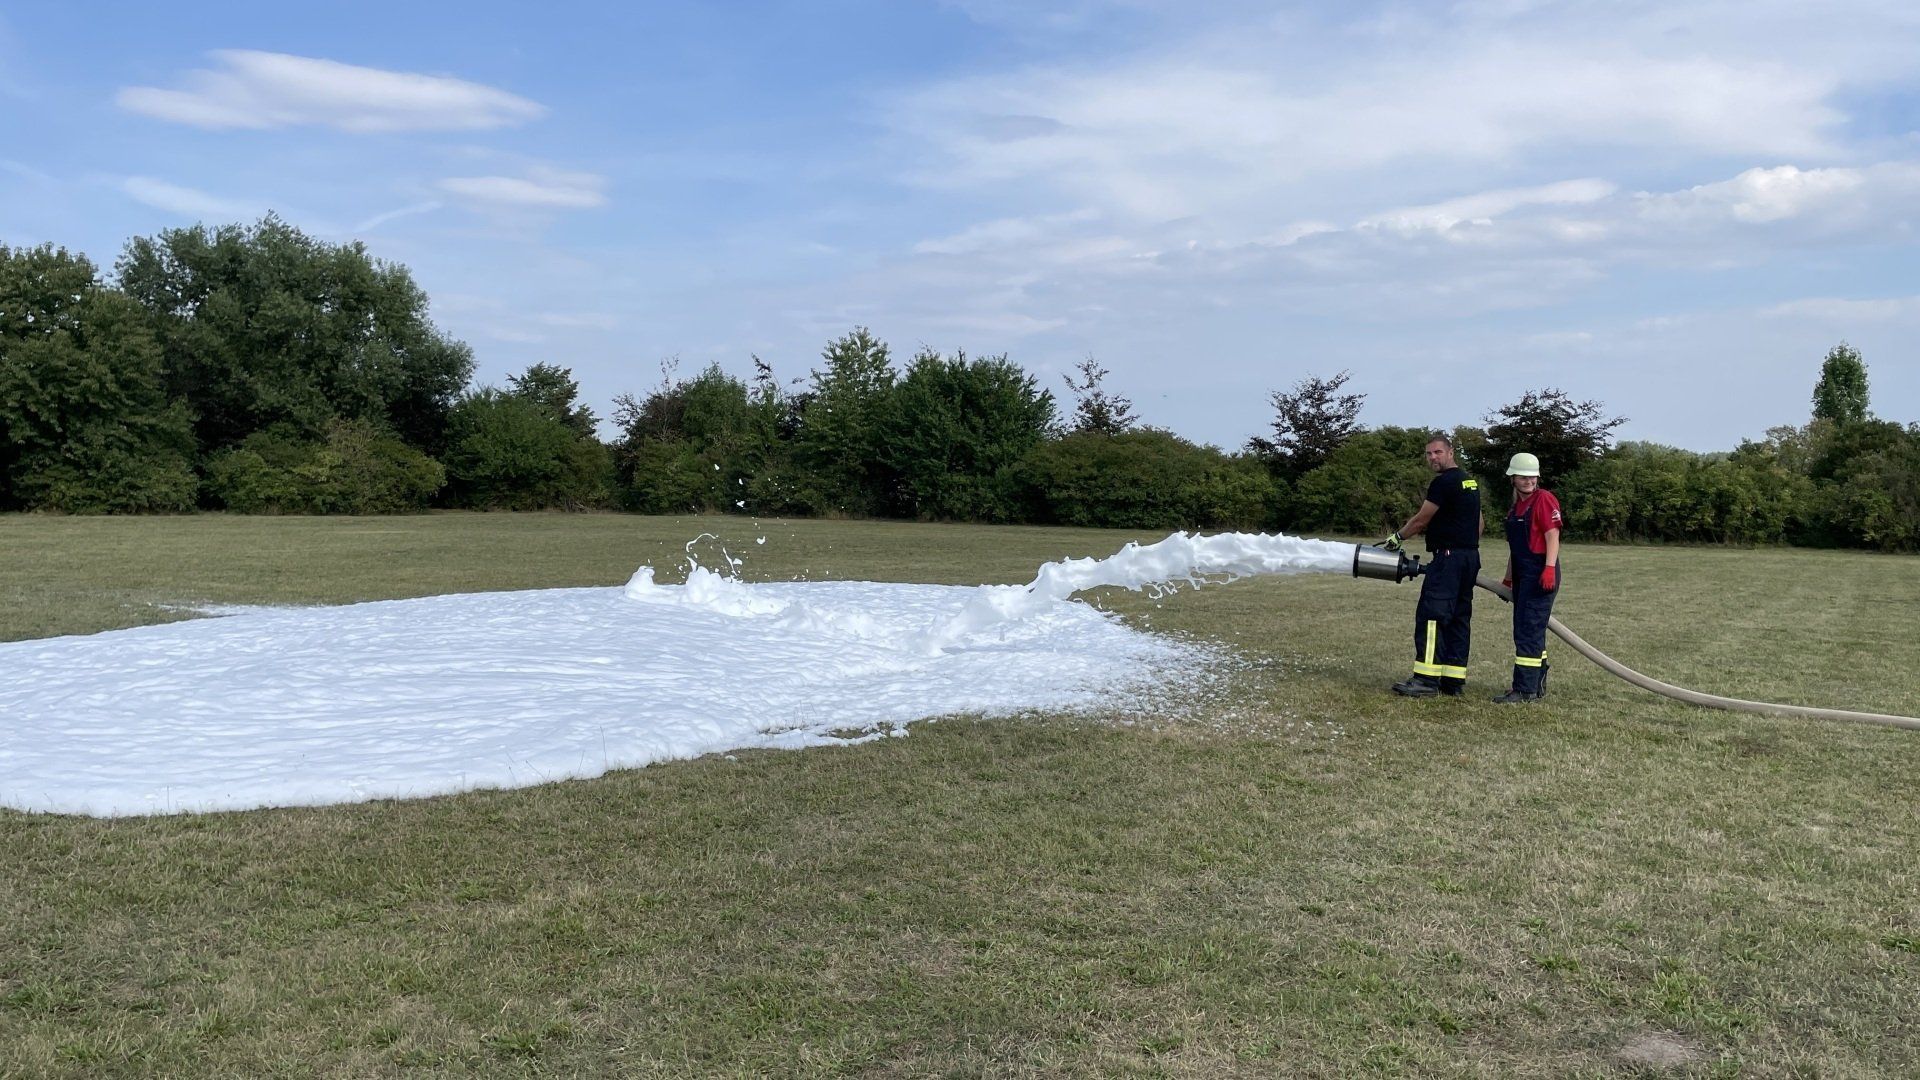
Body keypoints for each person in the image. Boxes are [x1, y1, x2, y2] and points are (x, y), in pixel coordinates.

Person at [1382, 434, 1482, 697]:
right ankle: (1452, 681)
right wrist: (1465, 545)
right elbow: (1479, 522)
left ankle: (1425, 680)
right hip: (1469, 557)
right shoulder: (1469, 481)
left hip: (1447, 558)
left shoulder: (1443, 482)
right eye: (1428, 454)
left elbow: (1421, 519)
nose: (1433, 458)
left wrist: (1397, 537)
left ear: (1451, 452)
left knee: (1432, 616)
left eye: (1437, 452)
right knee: (1459, 618)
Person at [1494, 452, 1561, 703]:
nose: (1529, 481)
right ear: (1513, 478)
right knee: (1528, 629)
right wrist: (1508, 579)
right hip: (1523, 574)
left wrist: (1549, 568)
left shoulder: (1543, 499)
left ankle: (1524, 689)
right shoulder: (1515, 509)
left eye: (1532, 477)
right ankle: (1537, 683)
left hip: (1540, 572)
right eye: (1523, 477)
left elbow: (1552, 535)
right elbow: (1516, 550)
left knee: (1528, 631)